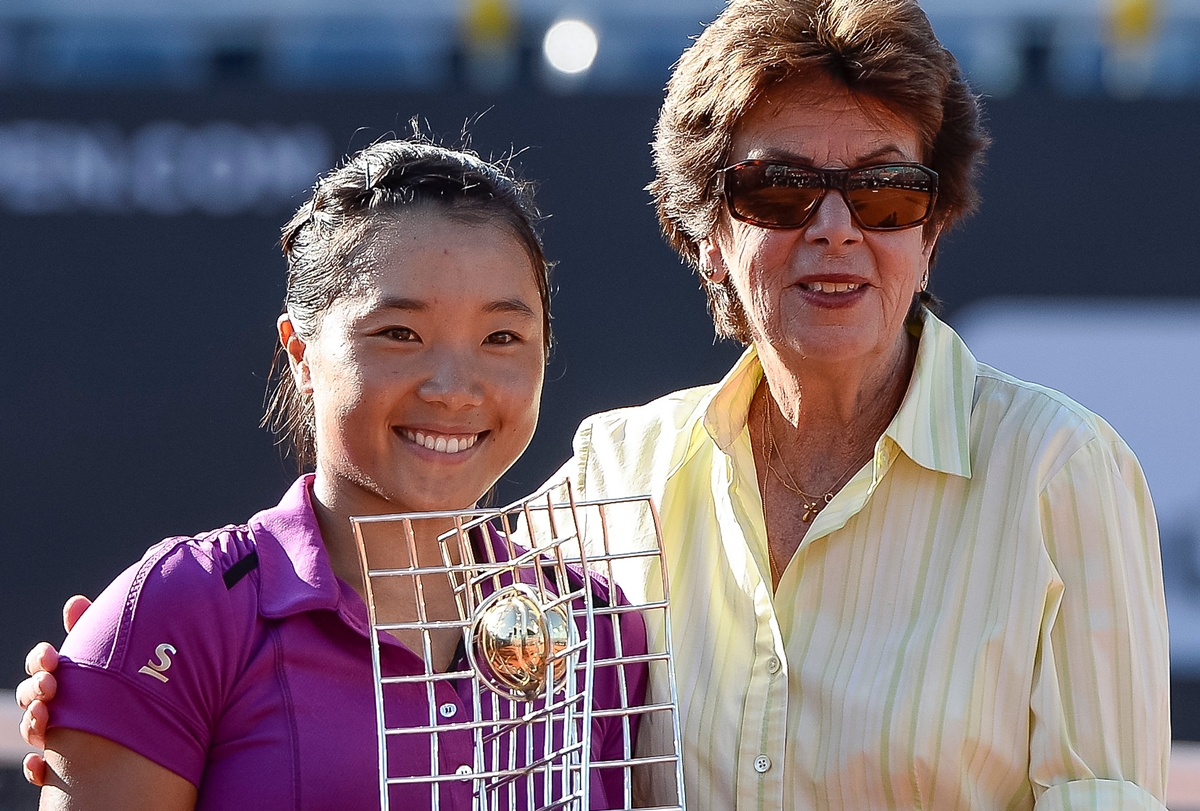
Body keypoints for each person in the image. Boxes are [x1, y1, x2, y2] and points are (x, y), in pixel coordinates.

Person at [20, 0, 1172, 808]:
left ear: (932, 226)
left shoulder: (1058, 470)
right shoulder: (618, 468)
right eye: (778, 188)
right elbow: (406, 585)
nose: (834, 230)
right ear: (707, 236)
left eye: (881, 190)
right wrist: (112, 674)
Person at [15, 137, 648, 811]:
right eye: (399, 333)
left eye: (502, 338)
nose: (455, 389)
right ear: (301, 353)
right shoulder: (180, 611)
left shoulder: (600, 628)